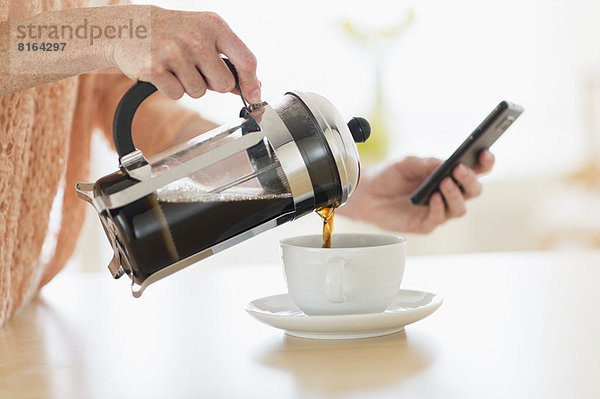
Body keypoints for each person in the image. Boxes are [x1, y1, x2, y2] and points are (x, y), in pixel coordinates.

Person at [0, 1, 494, 327]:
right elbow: (89, 45)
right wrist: (107, 31)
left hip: (21, 310)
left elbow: (110, 95)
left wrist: (351, 188)